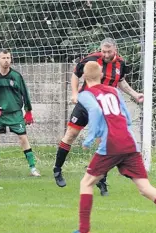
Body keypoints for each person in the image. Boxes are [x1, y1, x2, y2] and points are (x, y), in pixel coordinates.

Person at [72, 61, 156, 233]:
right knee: (144, 187)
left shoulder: (85, 94)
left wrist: (90, 138)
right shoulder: (114, 90)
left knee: (86, 182)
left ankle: (83, 230)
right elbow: (126, 115)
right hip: (129, 142)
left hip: (111, 144)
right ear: (102, 74)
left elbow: (96, 112)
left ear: (83, 76)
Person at [53, 38, 144, 196]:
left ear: (115, 50)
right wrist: (74, 94)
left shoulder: (121, 64)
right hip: (86, 103)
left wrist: (134, 94)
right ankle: (57, 169)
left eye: (109, 51)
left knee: (105, 142)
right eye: (103, 51)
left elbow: (120, 81)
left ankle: (101, 181)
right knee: (70, 135)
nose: (106, 54)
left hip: (104, 108)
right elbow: (76, 74)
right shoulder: (91, 59)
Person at [0, 49, 39, 177]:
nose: (6, 60)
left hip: (15, 113)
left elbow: (25, 94)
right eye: (3, 58)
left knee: (23, 138)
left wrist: (28, 111)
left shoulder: (17, 76)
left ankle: (33, 168)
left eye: (8, 58)